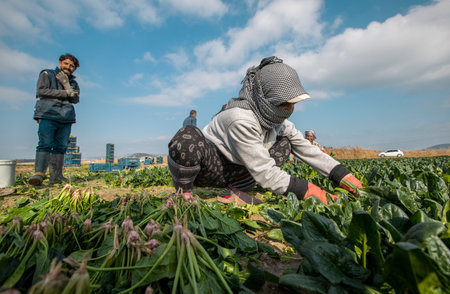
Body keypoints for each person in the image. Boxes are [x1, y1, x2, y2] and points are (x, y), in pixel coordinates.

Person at [168, 56, 362, 205]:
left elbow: (307, 149)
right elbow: (265, 172)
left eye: (291, 104)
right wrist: (316, 193)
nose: (288, 110)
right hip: (210, 168)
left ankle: (235, 193)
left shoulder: (276, 121)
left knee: (285, 143)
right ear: (265, 97)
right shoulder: (240, 118)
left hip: (239, 171)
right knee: (188, 138)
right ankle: (183, 195)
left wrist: (345, 177)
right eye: (283, 103)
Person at [28, 53, 80, 186]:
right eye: (66, 64)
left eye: (72, 66)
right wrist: (64, 93)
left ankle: (56, 176)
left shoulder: (73, 82)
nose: (68, 67)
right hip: (48, 113)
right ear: (60, 62)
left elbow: (75, 98)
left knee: (61, 146)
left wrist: (67, 86)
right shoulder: (47, 74)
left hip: (65, 117)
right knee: (45, 143)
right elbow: (41, 91)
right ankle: (39, 174)